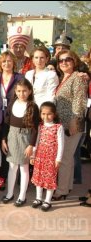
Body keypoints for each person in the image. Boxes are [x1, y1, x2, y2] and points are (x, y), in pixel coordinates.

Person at [0, 51, 23, 190]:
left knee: (8, 147)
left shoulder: (19, 77)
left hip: (13, 117)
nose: (7, 63)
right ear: (0, 64)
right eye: (4, 61)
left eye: (9, 61)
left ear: (14, 62)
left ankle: (6, 177)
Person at [52, 50, 87, 200]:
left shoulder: (77, 78)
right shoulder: (63, 78)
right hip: (62, 124)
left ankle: (61, 190)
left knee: (65, 158)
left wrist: (74, 121)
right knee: (68, 158)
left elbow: (79, 101)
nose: (64, 62)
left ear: (74, 61)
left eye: (68, 59)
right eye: (61, 60)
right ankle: (68, 186)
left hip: (72, 124)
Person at [2, 79, 40, 207]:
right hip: (12, 136)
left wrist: (31, 145)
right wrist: (3, 139)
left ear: (29, 91)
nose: (21, 93)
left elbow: (35, 128)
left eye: (24, 91)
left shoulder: (33, 106)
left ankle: (22, 196)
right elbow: (6, 123)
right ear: (15, 91)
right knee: (12, 167)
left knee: (23, 168)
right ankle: (9, 193)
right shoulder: (12, 103)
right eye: (19, 91)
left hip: (25, 138)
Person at [31, 102, 64, 212]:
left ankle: (47, 201)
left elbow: (61, 144)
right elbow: (36, 141)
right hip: (40, 156)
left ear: (54, 114)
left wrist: (58, 159)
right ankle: (38, 198)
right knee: (39, 178)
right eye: (43, 113)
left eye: (49, 114)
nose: (46, 116)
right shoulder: (40, 125)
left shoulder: (58, 127)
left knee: (50, 179)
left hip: (51, 158)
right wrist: (33, 155)